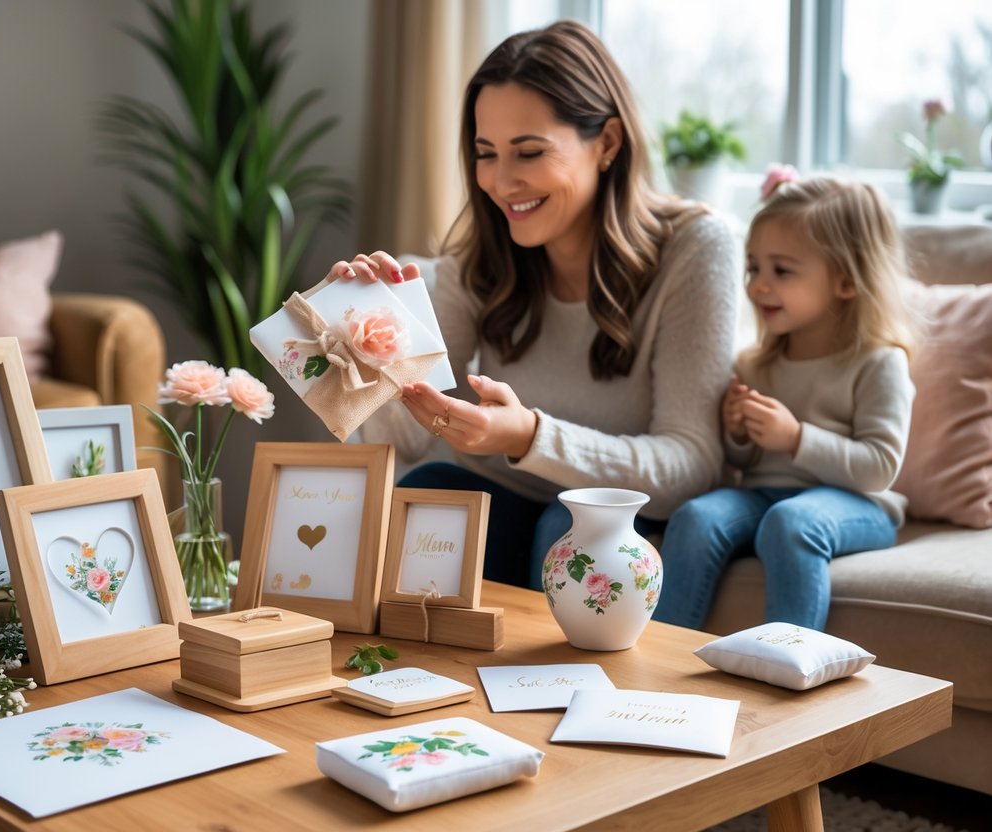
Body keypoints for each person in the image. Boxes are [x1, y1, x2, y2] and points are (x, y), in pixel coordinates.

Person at [326, 20, 740, 589]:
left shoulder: (696, 247)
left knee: (563, 528)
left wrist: (530, 437)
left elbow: (691, 462)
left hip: (617, 519)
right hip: (502, 499)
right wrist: (370, 347)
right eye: (486, 153)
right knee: (432, 493)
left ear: (609, 144)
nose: (501, 182)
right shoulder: (478, 258)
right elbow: (408, 443)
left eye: (529, 152)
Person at [653, 175, 915, 631]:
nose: (758, 287)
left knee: (791, 521)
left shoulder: (879, 362)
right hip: (764, 494)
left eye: (782, 271)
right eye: (754, 268)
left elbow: (879, 468)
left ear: (847, 281)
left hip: (858, 504)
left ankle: (789, 664)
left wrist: (795, 438)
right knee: (696, 517)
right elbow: (742, 461)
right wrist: (737, 433)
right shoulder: (757, 362)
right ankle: (658, 657)